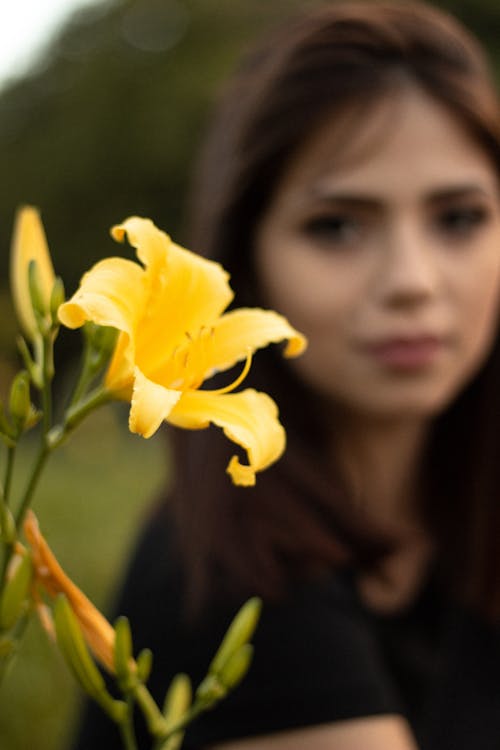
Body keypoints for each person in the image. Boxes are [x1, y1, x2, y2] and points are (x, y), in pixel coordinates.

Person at [72, 2, 500, 748]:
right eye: (336, 226)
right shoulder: (219, 572)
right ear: (247, 258)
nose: (413, 282)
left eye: (460, 218)